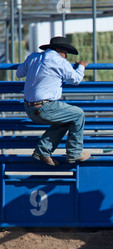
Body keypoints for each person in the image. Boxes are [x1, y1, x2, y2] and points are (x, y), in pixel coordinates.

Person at [16, 36, 91, 166]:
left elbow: (19, 73)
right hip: (45, 106)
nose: (66, 56)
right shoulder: (60, 62)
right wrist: (81, 67)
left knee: (66, 118)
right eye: (65, 53)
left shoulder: (33, 57)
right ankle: (75, 153)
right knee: (78, 114)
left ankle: (43, 152)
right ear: (60, 50)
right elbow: (76, 80)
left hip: (29, 108)